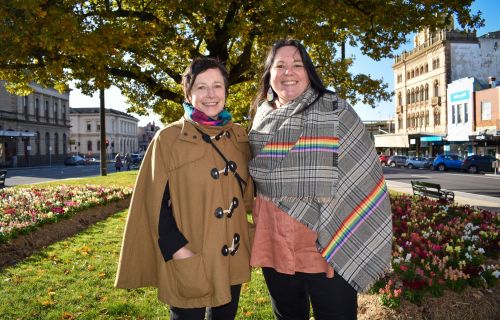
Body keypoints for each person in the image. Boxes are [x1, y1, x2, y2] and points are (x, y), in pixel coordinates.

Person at [247, 39, 392, 320]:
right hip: (276, 240)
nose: (289, 72)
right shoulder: (260, 117)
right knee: (288, 316)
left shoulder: (335, 110)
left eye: (297, 65)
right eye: (280, 66)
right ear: (270, 74)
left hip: (328, 241)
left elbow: (362, 172)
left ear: (309, 72)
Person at [115, 57, 254, 320]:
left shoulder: (239, 136)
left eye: (217, 86)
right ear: (188, 93)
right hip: (189, 254)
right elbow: (153, 203)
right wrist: (178, 250)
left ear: (226, 91)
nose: (210, 95)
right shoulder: (168, 139)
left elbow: (250, 193)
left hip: (230, 256)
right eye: (201, 87)